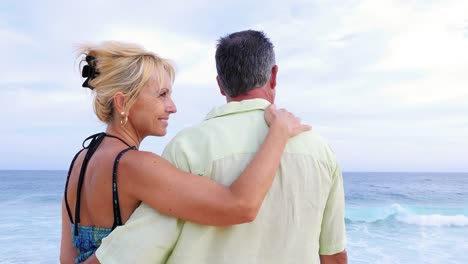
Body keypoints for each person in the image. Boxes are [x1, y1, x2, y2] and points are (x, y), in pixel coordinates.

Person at [92, 30, 347, 264]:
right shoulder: (320, 151)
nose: (171, 106)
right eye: (162, 94)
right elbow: (333, 256)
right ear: (274, 75)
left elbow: (141, 248)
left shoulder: (188, 147)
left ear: (220, 83)